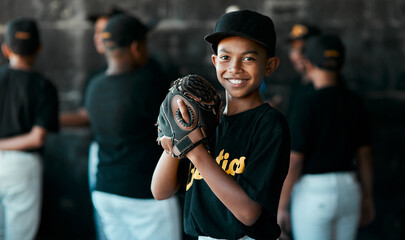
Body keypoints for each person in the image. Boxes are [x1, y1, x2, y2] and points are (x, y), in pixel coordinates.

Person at [151, 10, 290, 240]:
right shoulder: (206, 120)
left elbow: (248, 214)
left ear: (270, 65)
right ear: (215, 61)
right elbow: (160, 191)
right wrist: (175, 135)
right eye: (225, 57)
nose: (235, 67)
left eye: (249, 58)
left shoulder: (269, 124)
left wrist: (194, 149)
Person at [84, 14, 181, 240]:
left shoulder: (94, 86)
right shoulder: (147, 85)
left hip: (105, 191)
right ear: (137, 47)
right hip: (144, 196)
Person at [277, 34, 375, 240]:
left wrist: (281, 206)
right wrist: (367, 197)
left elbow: (295, 161)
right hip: (350, 188)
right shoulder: (355, 102)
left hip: (314, 192)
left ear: (308, 63)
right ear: (342, 64)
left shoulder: (306, 103)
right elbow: (365, 156)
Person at [0, 18, 59, 240]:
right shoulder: (44, 86)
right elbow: (37, 138)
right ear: (39, 48)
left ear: (5, 49)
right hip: (22, 167)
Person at [284, 23, 320, 121]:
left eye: (305, 48)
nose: (299, 55)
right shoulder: (296, 84)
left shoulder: (325, 88)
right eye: (294, 49)